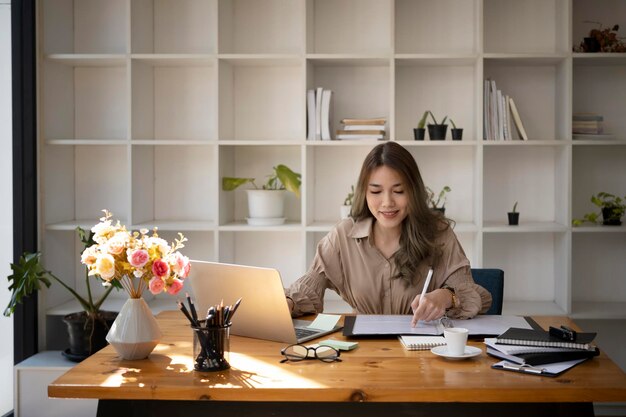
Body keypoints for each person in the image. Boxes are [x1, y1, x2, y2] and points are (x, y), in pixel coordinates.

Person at [285, 141, 491, 325]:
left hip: (421, 349)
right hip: (362, 352)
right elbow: (310, 287)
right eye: (375, 191)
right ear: (364, 192)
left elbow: (475, 296)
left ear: (413, 191)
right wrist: (288, 303)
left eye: (399, 191)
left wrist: (446, 297)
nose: (387, 203)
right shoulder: (343, 235)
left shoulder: (438, 234)